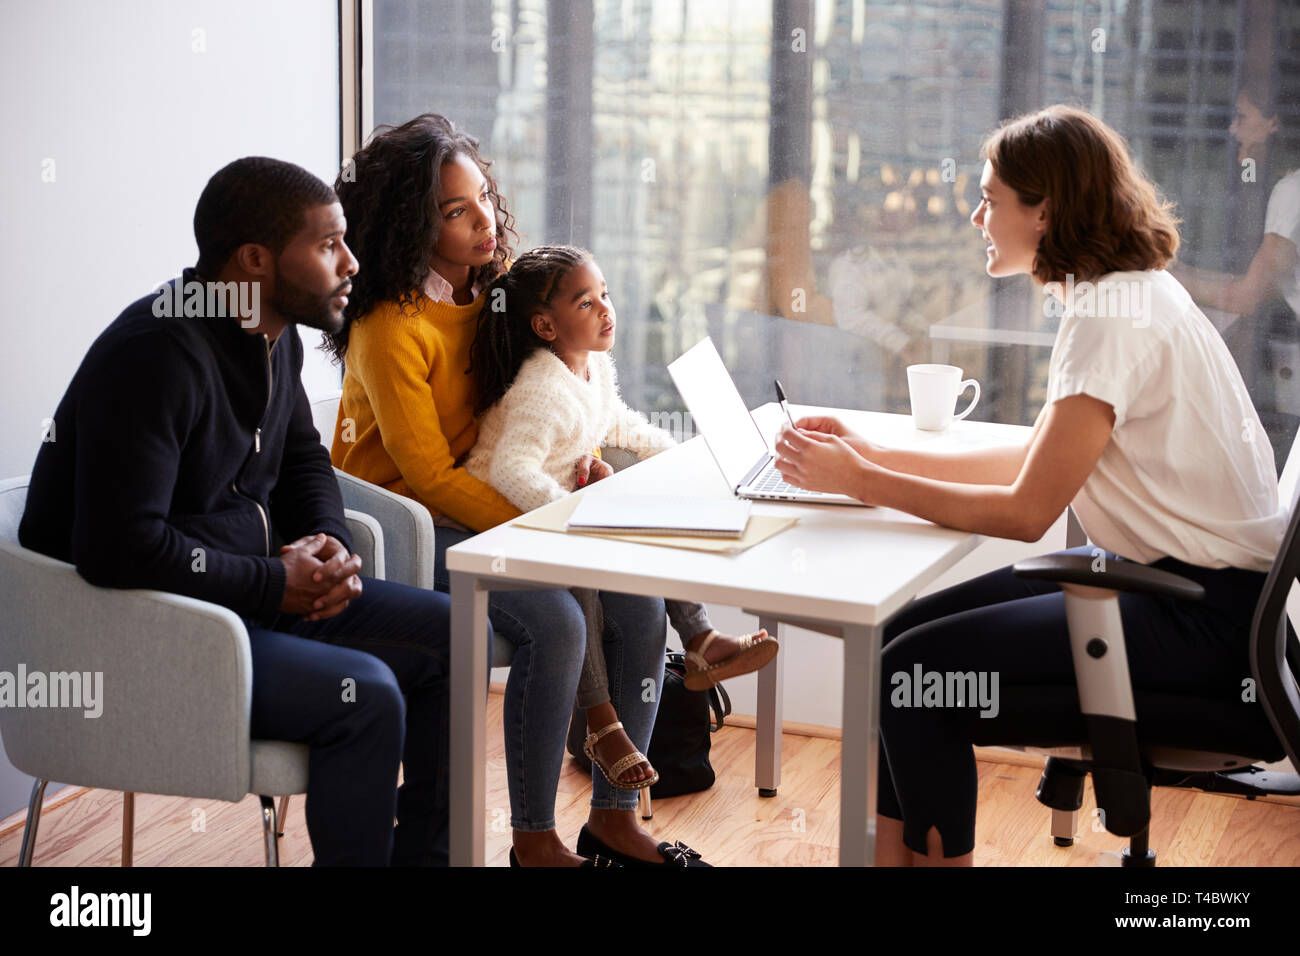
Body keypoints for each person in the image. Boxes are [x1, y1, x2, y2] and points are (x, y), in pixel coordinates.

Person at [773, 105, 1289, 866]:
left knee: (914, 678)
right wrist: (871, 458)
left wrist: (868, 481)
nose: (975, 214)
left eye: (990, 198)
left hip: (1200, 627)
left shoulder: (1111, 315)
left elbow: (1027, 510)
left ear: (1044, 210)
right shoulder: (1123, 292)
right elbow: (1038, 462)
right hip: (1189, 599)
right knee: (893, 644)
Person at [19, 157, 455, 866]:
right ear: (255, 259)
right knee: (366, 696)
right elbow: (117, 547)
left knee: (452, 633)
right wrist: (273, 581)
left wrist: (327, 543)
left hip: (245, 600)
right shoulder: (154, 357)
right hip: (150, 634)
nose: (350, 262)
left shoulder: (270, 336)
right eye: (327, 245)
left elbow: (304, 459)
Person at [326, 114, 711, 867]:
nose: (482, 223)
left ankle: (615, 817)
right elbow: (430, 476)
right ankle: (533, 837)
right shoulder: (388, 328)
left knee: (638, 597)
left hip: (498, 498)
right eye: (454, 211)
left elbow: (546, 403)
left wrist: (587, 463)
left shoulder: (498, 293)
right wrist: (552, 527)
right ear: (412, 222)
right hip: (411, 524)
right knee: (559, 623)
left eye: (483, 201)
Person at [461, 243, 778, 788]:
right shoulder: (541, 388)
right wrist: (571, 517)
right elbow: (510, 471)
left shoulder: (594, 369)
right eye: (585, 303)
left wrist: (689, 455)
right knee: (583, 576)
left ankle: (699, 639)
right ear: (545, 325)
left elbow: (622, 424)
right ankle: (601, 723)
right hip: (504, 525)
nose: (606, 309)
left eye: (604, 294)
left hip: (554, 510)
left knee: (648, 530)